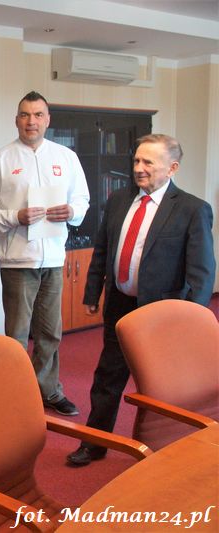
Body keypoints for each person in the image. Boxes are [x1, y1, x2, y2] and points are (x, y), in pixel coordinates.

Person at [67, 134, 215, 466]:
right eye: (136, 160)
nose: (139, 168)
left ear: (172, 168)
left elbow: (201, 271)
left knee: (163, 385)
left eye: (148, 162)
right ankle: (95, 443)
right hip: (121, 306)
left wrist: (191, 321)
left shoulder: (192, 209)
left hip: (162, 314)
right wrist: (93, 292)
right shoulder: (119, 200)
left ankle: (169, 449)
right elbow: (103, 251)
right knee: (107, 377)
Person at [0, 91, 90, 417]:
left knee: (50, 331)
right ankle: (15, 395)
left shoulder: (66, 157)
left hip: (53, 259)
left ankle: (48, 391)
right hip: (17, 260)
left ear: (48, 119)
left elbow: (82, 199)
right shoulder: (0, 159)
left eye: (38, 115)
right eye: (25, 115)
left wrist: (72, 211)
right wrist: (15, 217)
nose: (31, 121)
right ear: (16, 120)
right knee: (17, 335)